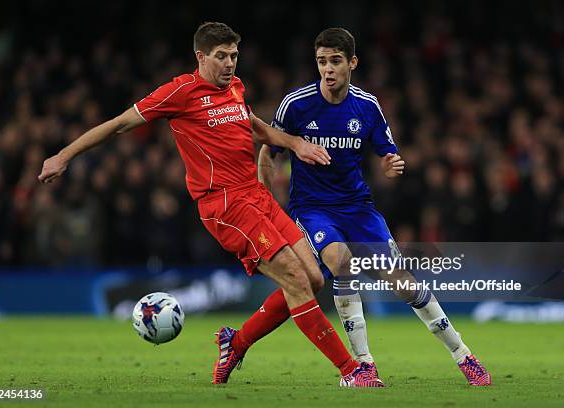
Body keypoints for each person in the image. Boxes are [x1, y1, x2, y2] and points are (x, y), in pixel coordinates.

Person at [38, 22, 383, 388]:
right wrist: (64, 155)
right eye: (221, 56)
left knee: (314, 277)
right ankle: (352, 370)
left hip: (256, 194)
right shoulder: (180, 92)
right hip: (226, 205)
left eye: (234, 55)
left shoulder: (234, 87)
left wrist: (295, 144)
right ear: (201, 57)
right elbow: (121, 123)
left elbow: (256, 128)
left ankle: (235, 343)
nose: (230, 63)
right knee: (296, 279)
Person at [256, 28, 492, 386]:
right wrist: (265, 199)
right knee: (339, 261)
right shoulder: (296, 105)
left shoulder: (366, 106)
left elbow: (388, 154)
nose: (327, 70)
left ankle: (464, 355)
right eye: (321, 62)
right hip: (313, 209)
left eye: (335, 61)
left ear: (352, 62)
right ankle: (364, 365)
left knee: (403, 283)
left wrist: (390, 164)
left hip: (359, 209)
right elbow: (267, 152)